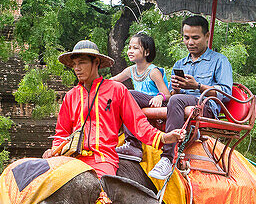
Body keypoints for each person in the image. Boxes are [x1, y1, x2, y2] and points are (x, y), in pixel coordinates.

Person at [48, 40, 184, 178]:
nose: (77, 68)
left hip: (102, 160)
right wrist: (53, 151)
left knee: (101, 196)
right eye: (75, 64)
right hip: (72, 159)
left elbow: (138, 124)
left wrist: (164, 138)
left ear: (96, 62)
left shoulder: (117, 90)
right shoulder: (71, 96)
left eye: (82, 62)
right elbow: (61, 133)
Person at [147, 15, 233, 180]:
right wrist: (176, 89)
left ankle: (167, 157)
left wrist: (197, 86)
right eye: (186, 38)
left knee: (176, 101)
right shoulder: (180, 63)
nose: (190, 42)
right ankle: (132, 144)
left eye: (195, 38)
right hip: (179, 103)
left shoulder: (219, 61)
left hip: (205, 107)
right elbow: (172, 95)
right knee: (132, 95)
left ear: (207, 37)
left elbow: (226, 94)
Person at [111, 32, 171, 109]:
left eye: (135, 48)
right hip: (139, 103)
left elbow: (167, 95)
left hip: (155, 103)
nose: (130, 51)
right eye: (129, 48)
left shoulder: (153, 72)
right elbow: (113, 80)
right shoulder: (131, 70)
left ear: (147, 52)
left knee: (129, 94)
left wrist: (160, 97)